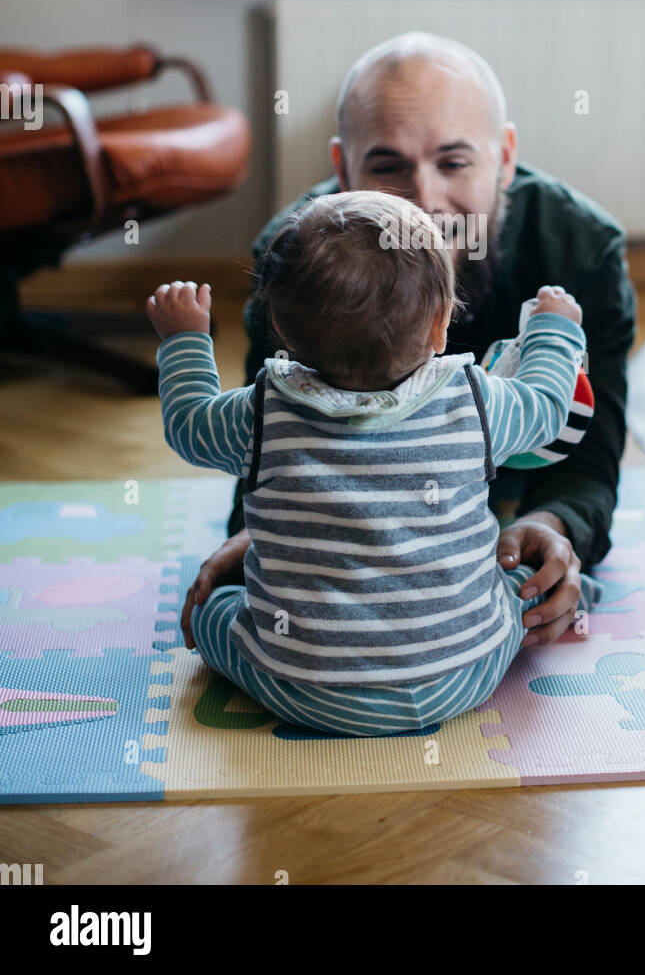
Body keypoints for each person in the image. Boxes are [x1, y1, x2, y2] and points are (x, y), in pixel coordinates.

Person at [189, 31, 636, 649]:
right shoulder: (291, 266)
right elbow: (276, 437)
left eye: (453, 163)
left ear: (504, 157)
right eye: (388, 167)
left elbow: (590, 451)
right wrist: (255, 536)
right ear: (342, 169)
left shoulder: (582, 252)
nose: (424, 204)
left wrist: (550, 523)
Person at [146, 194, 598, 736]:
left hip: (305, 689)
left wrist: (184, 341)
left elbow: (188, 426)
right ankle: (572, 590)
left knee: (212, 609)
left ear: (281, 329)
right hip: (463, 675)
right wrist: (555, 330)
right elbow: (549, 405)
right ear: (439, 325)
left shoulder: (262, 412)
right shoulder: (476, 401)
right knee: (508, 588)